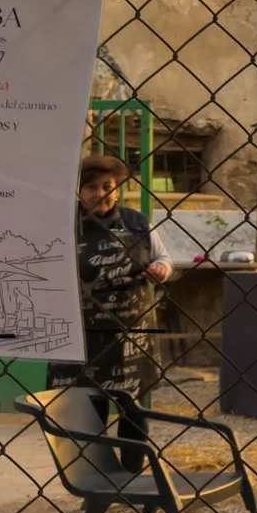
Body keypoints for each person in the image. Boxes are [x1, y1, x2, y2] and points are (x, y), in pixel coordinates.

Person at [61, 153, 172, 394]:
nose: (100, 194)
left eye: (107, 187)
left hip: (131, 331)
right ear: (78, 191)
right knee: (89, 403)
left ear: (117, 190)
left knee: (131, 406)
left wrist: (161, 269)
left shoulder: (138, 223)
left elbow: (162, 257)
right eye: (91, 187)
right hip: (84, 332)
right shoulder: (64, 224)